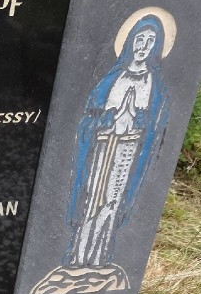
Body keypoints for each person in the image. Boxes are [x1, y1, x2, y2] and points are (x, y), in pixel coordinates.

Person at [64, 14, 169, 268]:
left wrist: (137, 125)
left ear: (156, 47)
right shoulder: (113, 78)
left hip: (128, 152)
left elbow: (154, 126)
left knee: (113, 200)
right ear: (131, 41)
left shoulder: (154, 84)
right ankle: (78, 255)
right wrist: (104, 121)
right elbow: (91, 113)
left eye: (150, 41)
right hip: (102, 148)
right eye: (140, 39)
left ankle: (98, 258)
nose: (143, 46)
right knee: (92, 197)